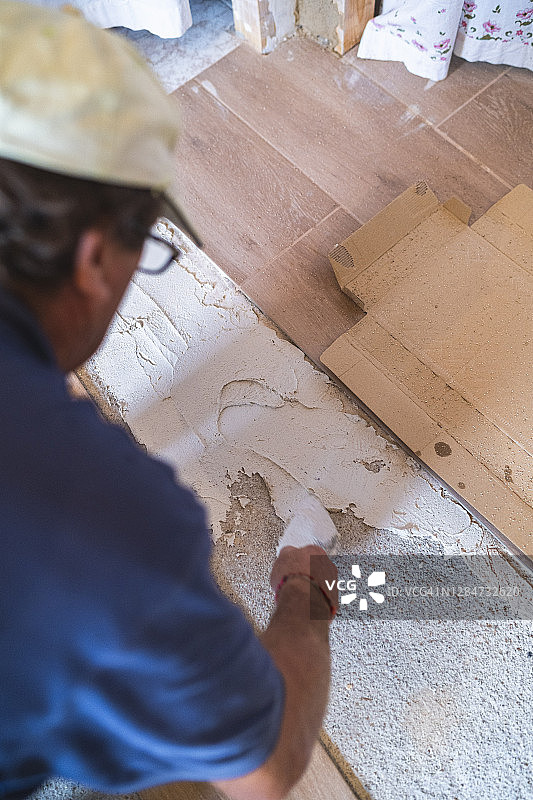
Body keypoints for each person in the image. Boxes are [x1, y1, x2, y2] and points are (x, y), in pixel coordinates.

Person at [0, 4, 338, 800]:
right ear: (90, 258)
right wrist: (306, 601)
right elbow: (263, 767)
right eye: (144, 248)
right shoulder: (98, 516)